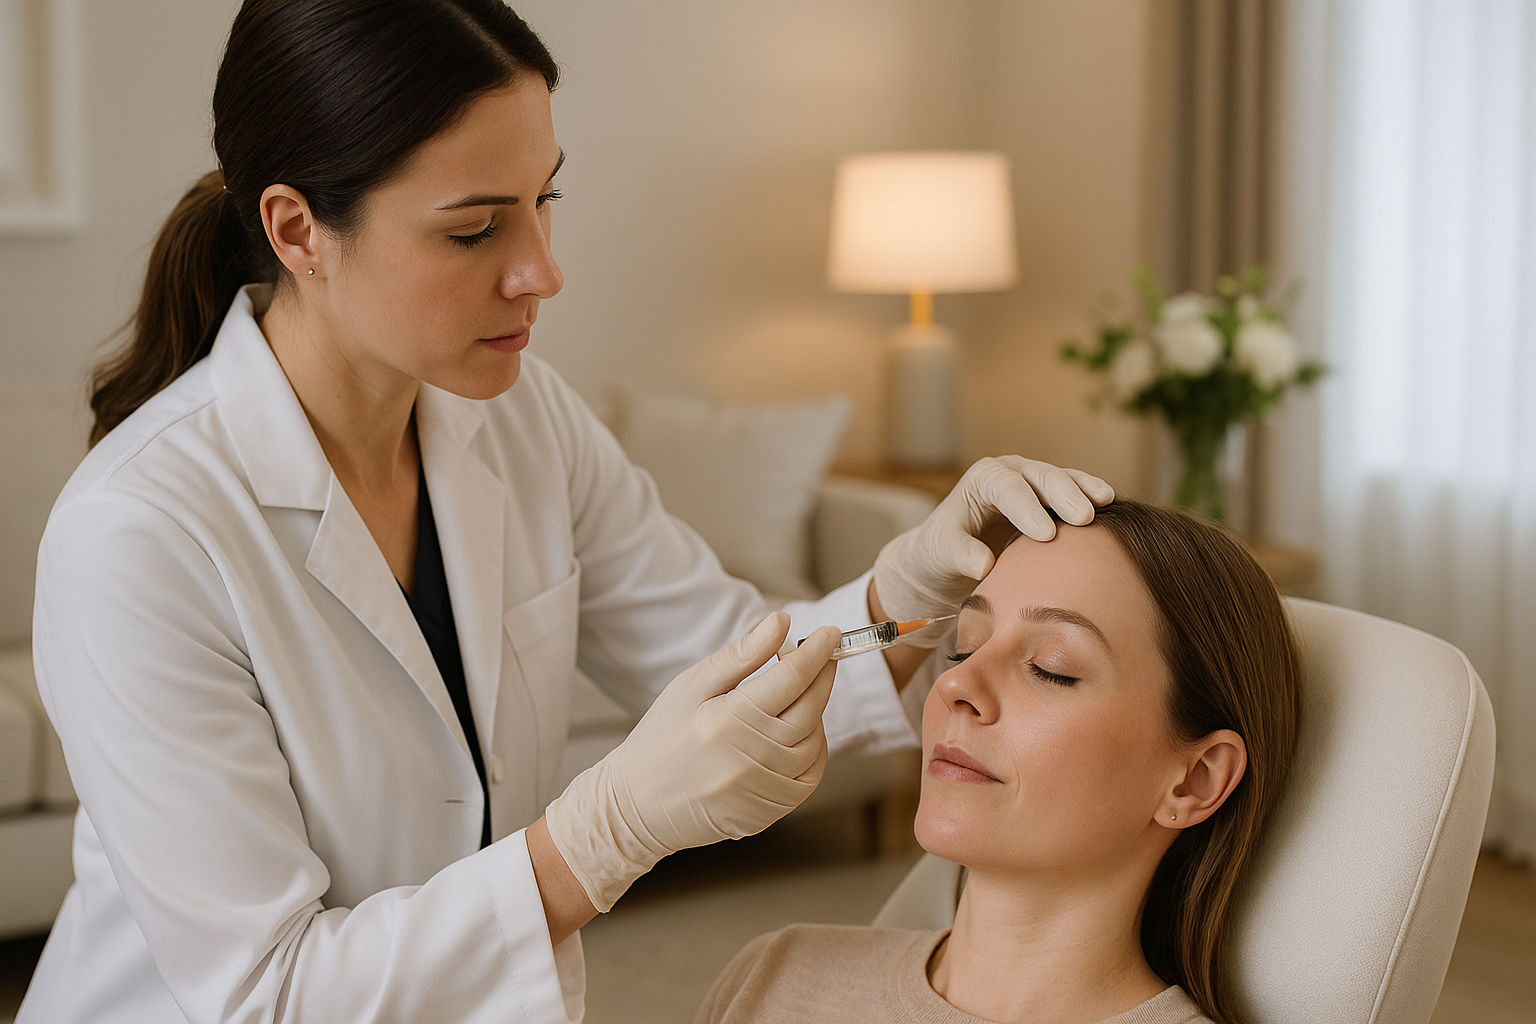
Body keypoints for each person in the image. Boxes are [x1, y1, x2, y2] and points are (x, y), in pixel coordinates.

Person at [17, 2, 1113, 1022]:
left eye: (545, 200)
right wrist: (602, 835)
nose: (541, 272)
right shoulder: (139, 533)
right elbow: (270, 992)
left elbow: (725, 664)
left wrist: (908, 586)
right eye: (473, 231)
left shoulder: (520, 416)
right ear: (298, 230)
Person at [696, 499, 1303, 1024]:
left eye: (1052, 669)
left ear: (1195, 780)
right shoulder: (774, 978)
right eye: (963, 648)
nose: (955, 685)